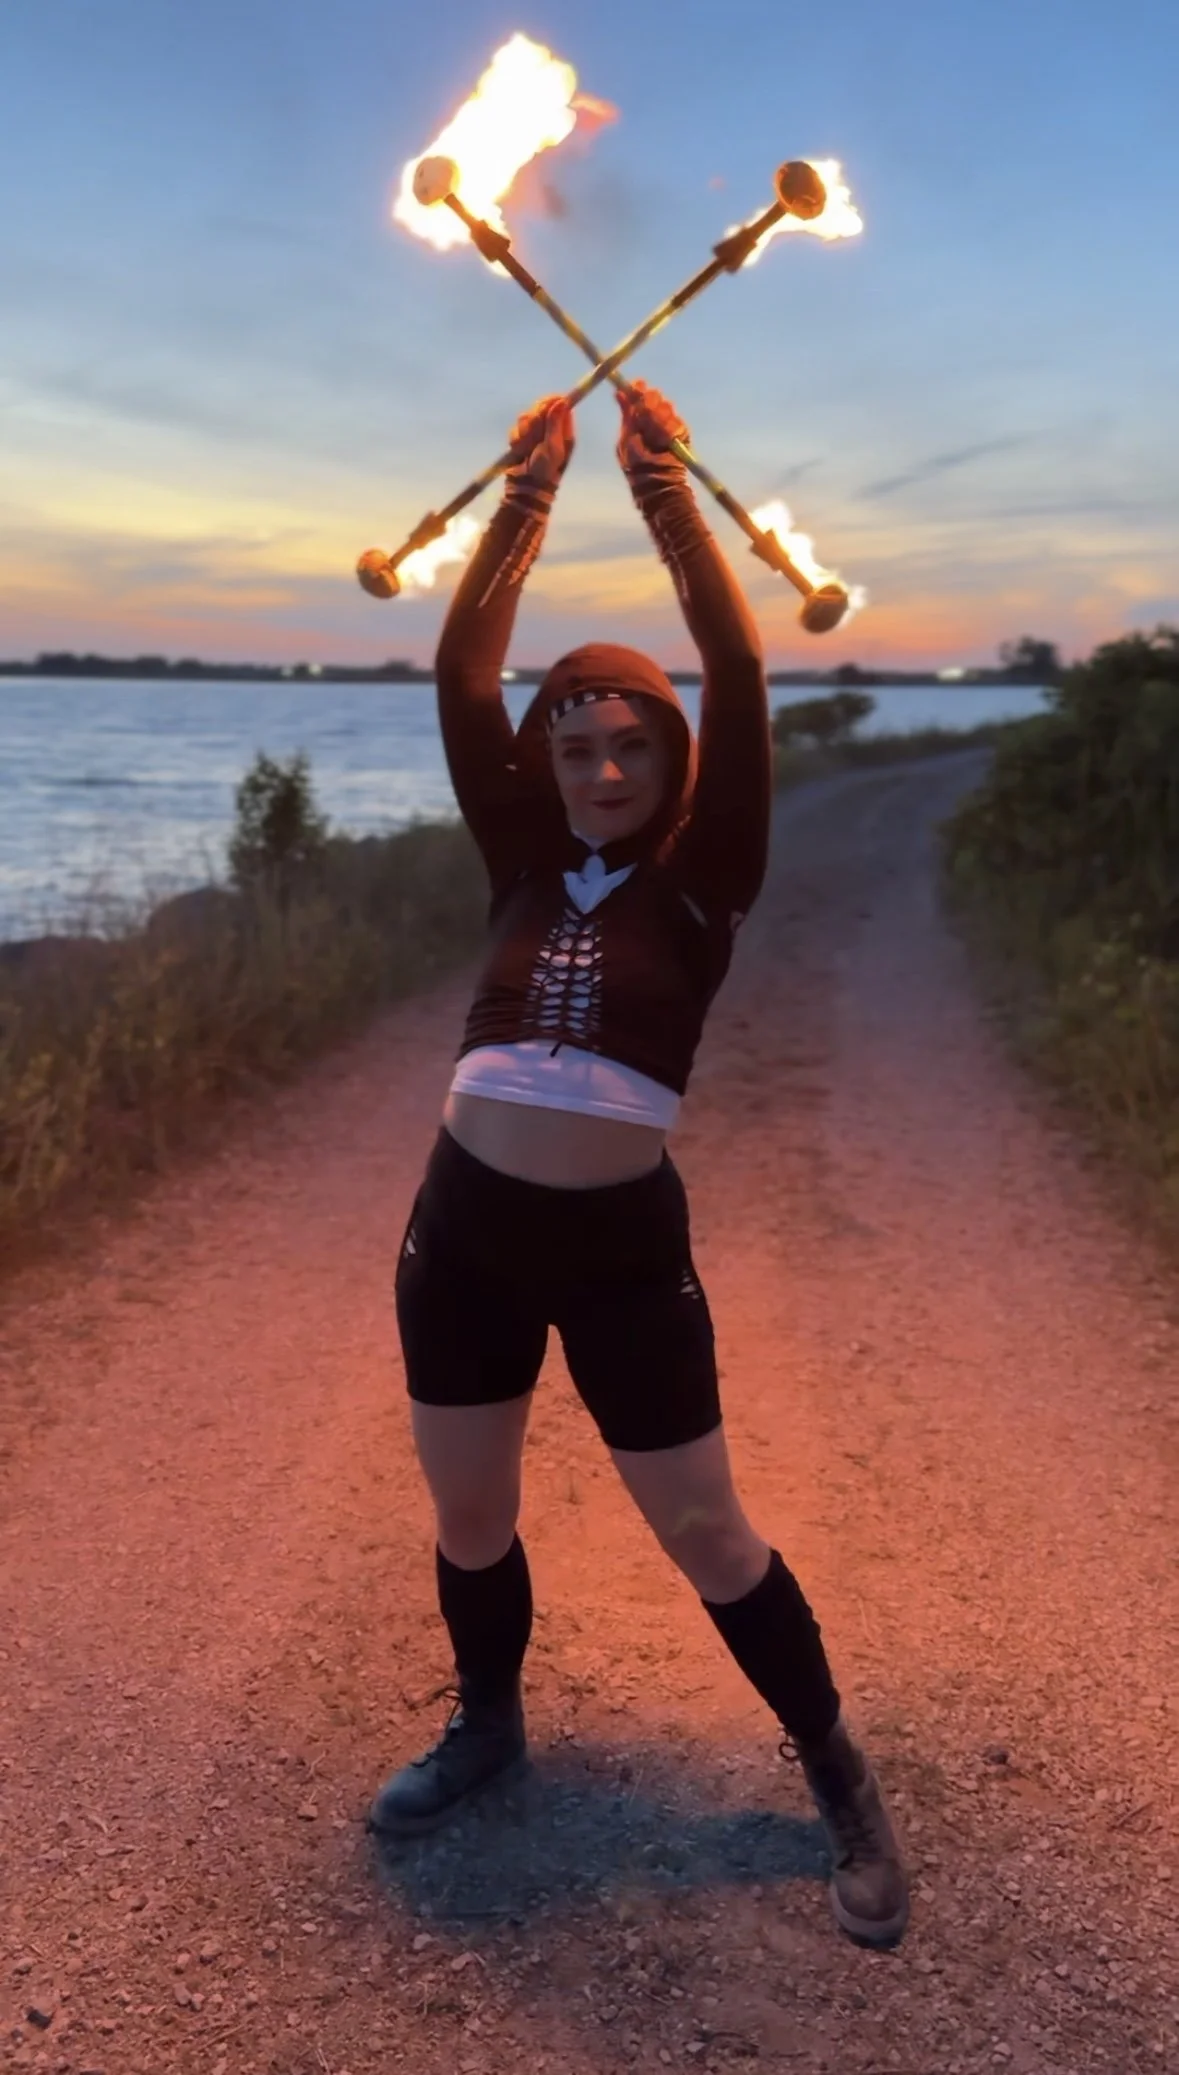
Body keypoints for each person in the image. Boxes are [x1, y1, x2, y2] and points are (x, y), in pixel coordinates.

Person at [366, 380, 909, 1948]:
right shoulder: (519, 851)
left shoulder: (709, 873)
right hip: (458, 1231)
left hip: (617, 1252)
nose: (601, 766)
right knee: (469, 1516)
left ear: (670, 756)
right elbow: (467, 667)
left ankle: (836, 1773)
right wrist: (523, 496)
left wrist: (659, 485)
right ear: (544, 760)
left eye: (628, 742)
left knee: (706, 1530)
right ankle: (488, 1723)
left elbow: (737, 665)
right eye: (574, 741)